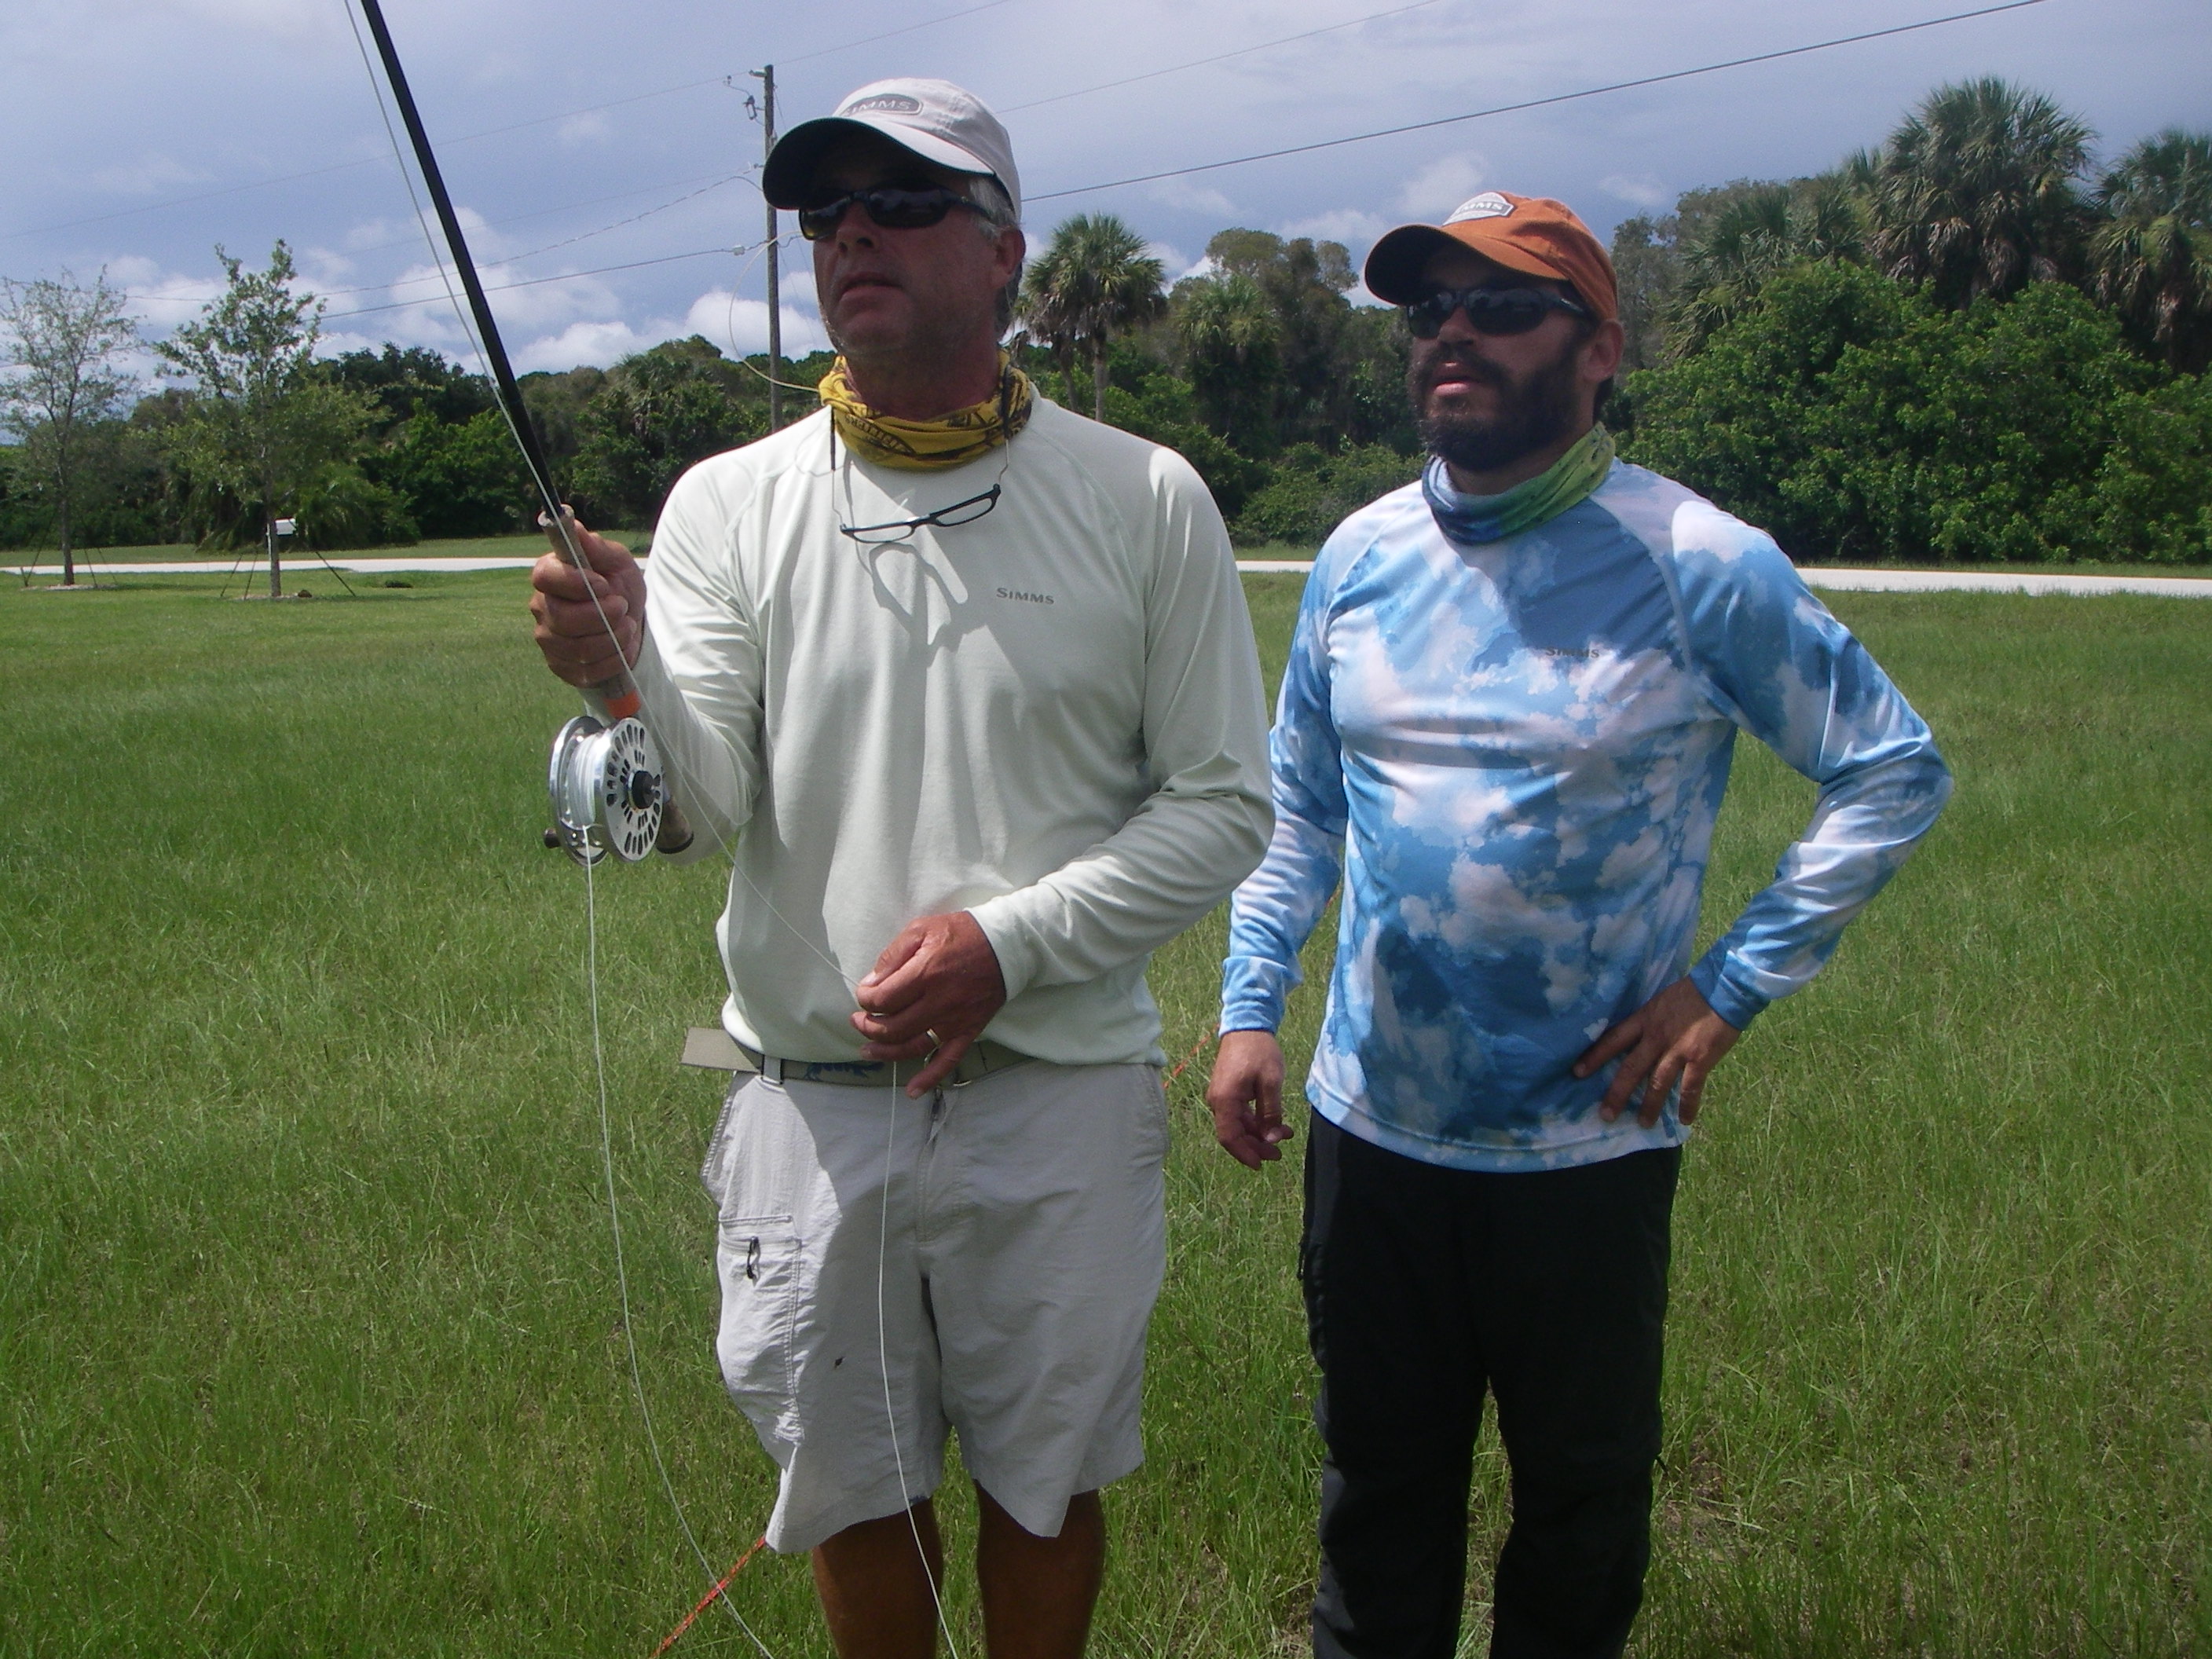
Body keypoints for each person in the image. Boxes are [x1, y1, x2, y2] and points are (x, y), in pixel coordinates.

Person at [529, 79, 1271, 1659]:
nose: (853, 235)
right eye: (826, 216)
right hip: (809, 1102)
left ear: (1005, 254)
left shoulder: (1147, 500)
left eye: (902, 204)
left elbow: (1224, 807)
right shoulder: (726, 506)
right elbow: (696, 807)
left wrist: (1010, 945)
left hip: (1056, 1091)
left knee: (1046, 1486)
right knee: (852, 1492)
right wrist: (625, 678)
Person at [1204, 190, 1952, 1659]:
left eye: (1503, 305)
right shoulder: (1355, 559)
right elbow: (1302, 809)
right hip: (1376, 1136)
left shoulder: (1696, 560)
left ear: (1600, 349)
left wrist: (1727, 990)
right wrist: (1248, 1006)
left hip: (1585, 1150)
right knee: (1375, 1502)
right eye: (1432, 311)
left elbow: (1890, 767)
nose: (1455, 335)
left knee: (1581, 1511)